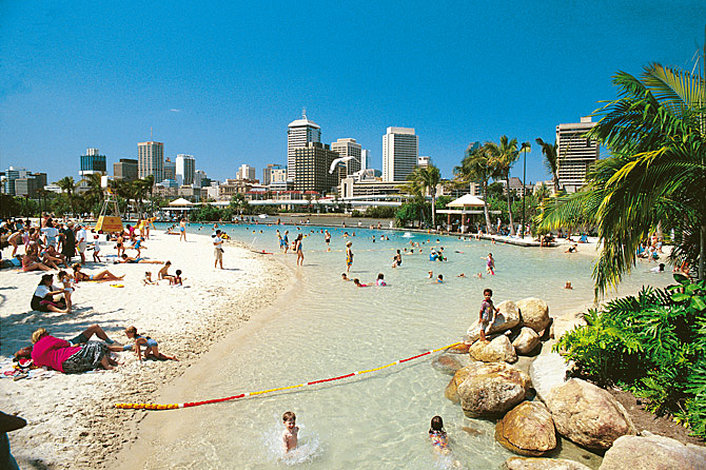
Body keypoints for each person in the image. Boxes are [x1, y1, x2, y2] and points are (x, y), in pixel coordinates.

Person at [30, 327, 117, 373]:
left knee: (92, 355)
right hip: (69, 357)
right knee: (96, 345)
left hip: (65, 368)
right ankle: (108, 366)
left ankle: (110, 361)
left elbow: (42, 365)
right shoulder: (47, 339)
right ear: (43, 335)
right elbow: (66, 344)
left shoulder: (34, 354)